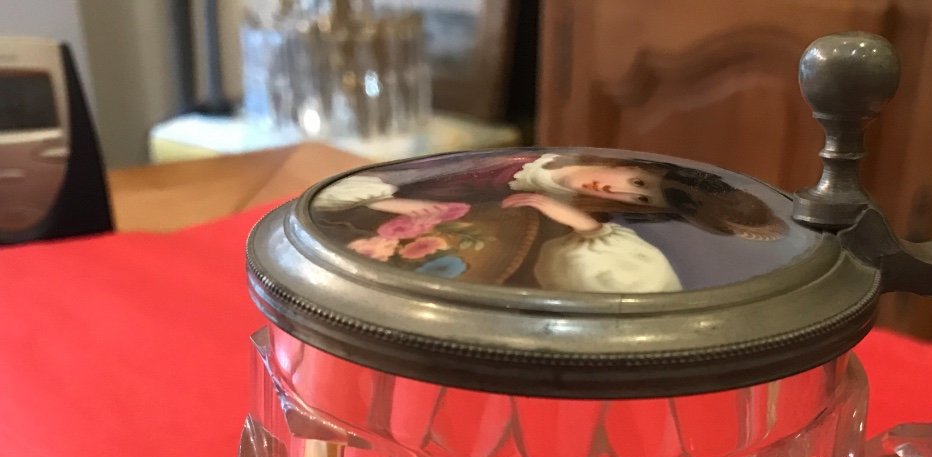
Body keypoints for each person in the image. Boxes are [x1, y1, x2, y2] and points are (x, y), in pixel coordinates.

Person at [311, 152, 786, 294]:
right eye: (636, 181)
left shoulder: (560, 204)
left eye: (637, 199)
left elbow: (587, 235)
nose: (620, 191)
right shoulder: (523, 165)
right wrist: (391, 208)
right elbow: (396, 192)